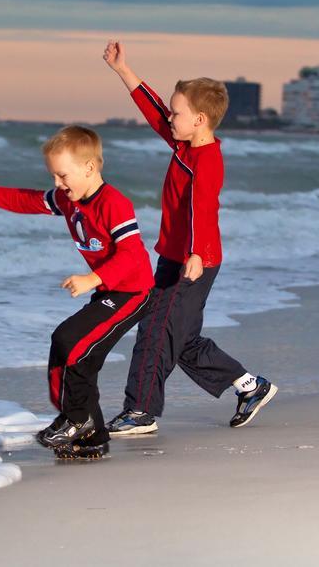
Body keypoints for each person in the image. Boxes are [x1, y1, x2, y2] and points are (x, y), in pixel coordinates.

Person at [102, 40, 276, 435]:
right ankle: (250, 386)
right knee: (180, 338)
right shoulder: (184, 144)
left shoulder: (207, 160)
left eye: (177, 112)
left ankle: (139, 411)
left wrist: (195, 254)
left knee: (155, 333)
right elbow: (153, 112)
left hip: (192, 261)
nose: (170, 117)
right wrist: (123, 70)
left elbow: (203, 209)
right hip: (178, 257)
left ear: (199, 119)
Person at [0, 125, 155, 459]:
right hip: (108, 290)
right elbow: (32, 200)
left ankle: (76, 419)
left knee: (72, 342)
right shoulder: (69, 199)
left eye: (63, 176)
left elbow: (134, 256)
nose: (57, 184)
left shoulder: (114, 203)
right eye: (54, 176)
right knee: (70, 349)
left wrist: (92, 278)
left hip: (132, 292)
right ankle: (90, 435)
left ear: (89, 168)